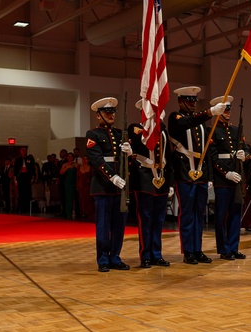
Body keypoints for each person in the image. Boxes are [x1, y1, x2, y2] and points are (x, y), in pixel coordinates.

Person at [168, 86, 226, 264]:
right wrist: (209, 112)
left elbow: (206, 151)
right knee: (187, 214)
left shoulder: (200, 123)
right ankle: (188, 251)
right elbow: (186, 123)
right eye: (189, 101)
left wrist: (208, 176)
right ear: (180, 101)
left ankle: (198, 249)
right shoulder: (175, 118)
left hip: (200, 174)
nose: (192, 105)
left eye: (194, 101)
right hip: (185, 172)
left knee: (199, 214)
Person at [86, 97, 130, 272]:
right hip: (103, 187)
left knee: (119, 226)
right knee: (104, 226)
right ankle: (103, 259)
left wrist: (130, 152)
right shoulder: (93, 135)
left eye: (112, 112)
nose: (111, 115)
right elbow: (96, 160)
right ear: (98, 115)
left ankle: (115, 257)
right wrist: (112, 177)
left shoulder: (120, 134)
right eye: (106, 112)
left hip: (120, 189)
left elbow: (127, 162)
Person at [127, 99, 172, 268]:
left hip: (162, 178)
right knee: (145, 218)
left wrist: (171, 183)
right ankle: (145, 255)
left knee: (159, 219)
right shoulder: (136, 129)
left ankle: (157, 254)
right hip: (144, 177)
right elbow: (136, 142)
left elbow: (169, 157)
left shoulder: (163, 132)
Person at [208, 97, 247, 258]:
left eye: (229, 109)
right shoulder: (213, 131)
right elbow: (213, 158)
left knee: (235, 214)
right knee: (221, 215)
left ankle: (233, 247)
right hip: (222, 179)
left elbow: (243, 148)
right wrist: (226, 173)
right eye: (225, 109)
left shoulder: (236, 130)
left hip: (236, 176)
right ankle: (223, 249)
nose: (228, 112)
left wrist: (243, 154)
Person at [13, 146, 37, 214]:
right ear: (20, 151)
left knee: (27, 193)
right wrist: (15, 178)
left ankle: (27, 208)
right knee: (21, 193)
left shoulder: (30, 159)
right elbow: (15, 170)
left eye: (25, 150)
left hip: (27, 177)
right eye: (23, 150)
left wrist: (32, 178)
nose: (24, 152)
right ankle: (20, 208)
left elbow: (32, 169)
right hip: (20, 177)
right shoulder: (17, 159)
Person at [59, 151, 78, 219]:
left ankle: (75, 211)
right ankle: (68, 213)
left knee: (75, 198)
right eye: (68, 156)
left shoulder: (76, 164)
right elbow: (61, 172)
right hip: (67, 182)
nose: (70, 158)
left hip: (74, 182)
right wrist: (67, 168)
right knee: (68, 198)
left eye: (71, 156)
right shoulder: (65, 165)